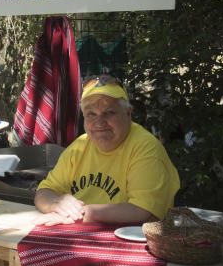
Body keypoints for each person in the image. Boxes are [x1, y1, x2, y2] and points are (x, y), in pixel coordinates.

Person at [34, 75, 179, 225]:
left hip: (130, 242)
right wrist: (56, 203)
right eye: (91, 114)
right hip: (80, 236)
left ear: (128, 113)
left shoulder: (146, 147)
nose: (99, 122)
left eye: (109, 112)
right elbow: (44, 192)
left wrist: (79, 215)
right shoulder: (80, 146)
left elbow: (142, 211)